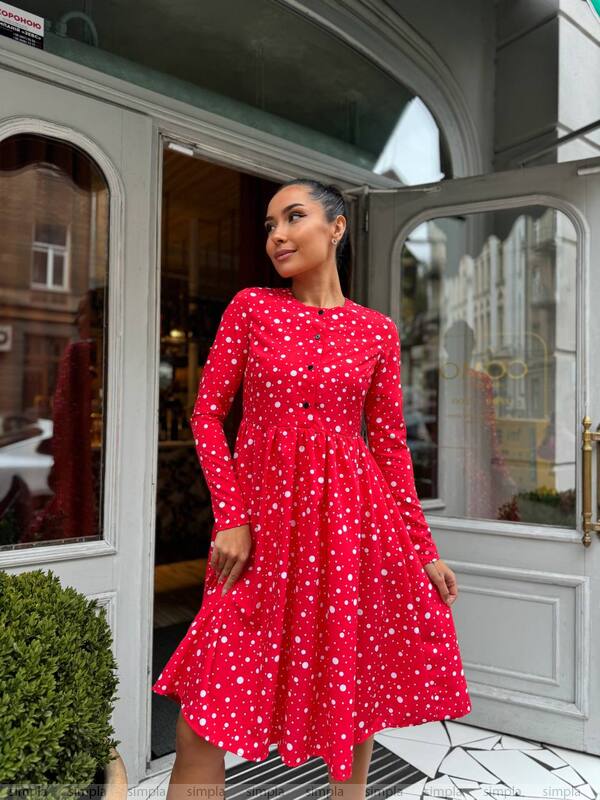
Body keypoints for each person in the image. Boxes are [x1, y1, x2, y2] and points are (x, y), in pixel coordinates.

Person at [152, 179, 472, 800]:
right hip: (259, 538)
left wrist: (422, 548)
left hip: (351, 534)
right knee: (199, 722)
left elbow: (389, 448)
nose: (276, 235)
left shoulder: (377, 332)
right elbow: (206, 416)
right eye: (269, 224)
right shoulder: (252, 308)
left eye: (293, 218)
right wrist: (231, 517)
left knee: (351, 712)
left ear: (336, 227)